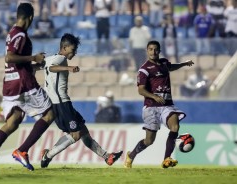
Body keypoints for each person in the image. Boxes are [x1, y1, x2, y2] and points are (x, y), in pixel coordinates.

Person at [0, 3, 56, 174]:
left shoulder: (11, 33)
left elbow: (16, 61)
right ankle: (22, 150)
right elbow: (9, 57)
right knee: (50, 113)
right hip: (23, 84)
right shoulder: (20, 34)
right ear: (31, 17)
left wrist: (34, 65)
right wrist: (34, 56)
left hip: (10, 84)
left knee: (13, 122)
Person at [40, 33, 123, 168]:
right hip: (61, 104)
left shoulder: (49, 58)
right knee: (76, 134)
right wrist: (69, 68)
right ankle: (48, 155)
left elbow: (44, 67)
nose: (75, 53)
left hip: (59, 103)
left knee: (83, 130)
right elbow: (51, 68)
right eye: (73, 50)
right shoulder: (60, 59)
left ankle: (107, 157)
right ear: (65, 47)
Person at [124, 40, 194, 169]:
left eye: (155, 49)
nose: (153, 52)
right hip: (151, 107)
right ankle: (131, 155)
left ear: (159, 51)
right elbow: (141, 90)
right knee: (149, 141)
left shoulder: (164, 63)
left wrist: (184, 64)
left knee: (175, 127)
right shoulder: (144, 70)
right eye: (150, 49)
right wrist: (154, 96)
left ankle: (166, 159)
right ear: (147, 51)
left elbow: (171, 67)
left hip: (167, 105)